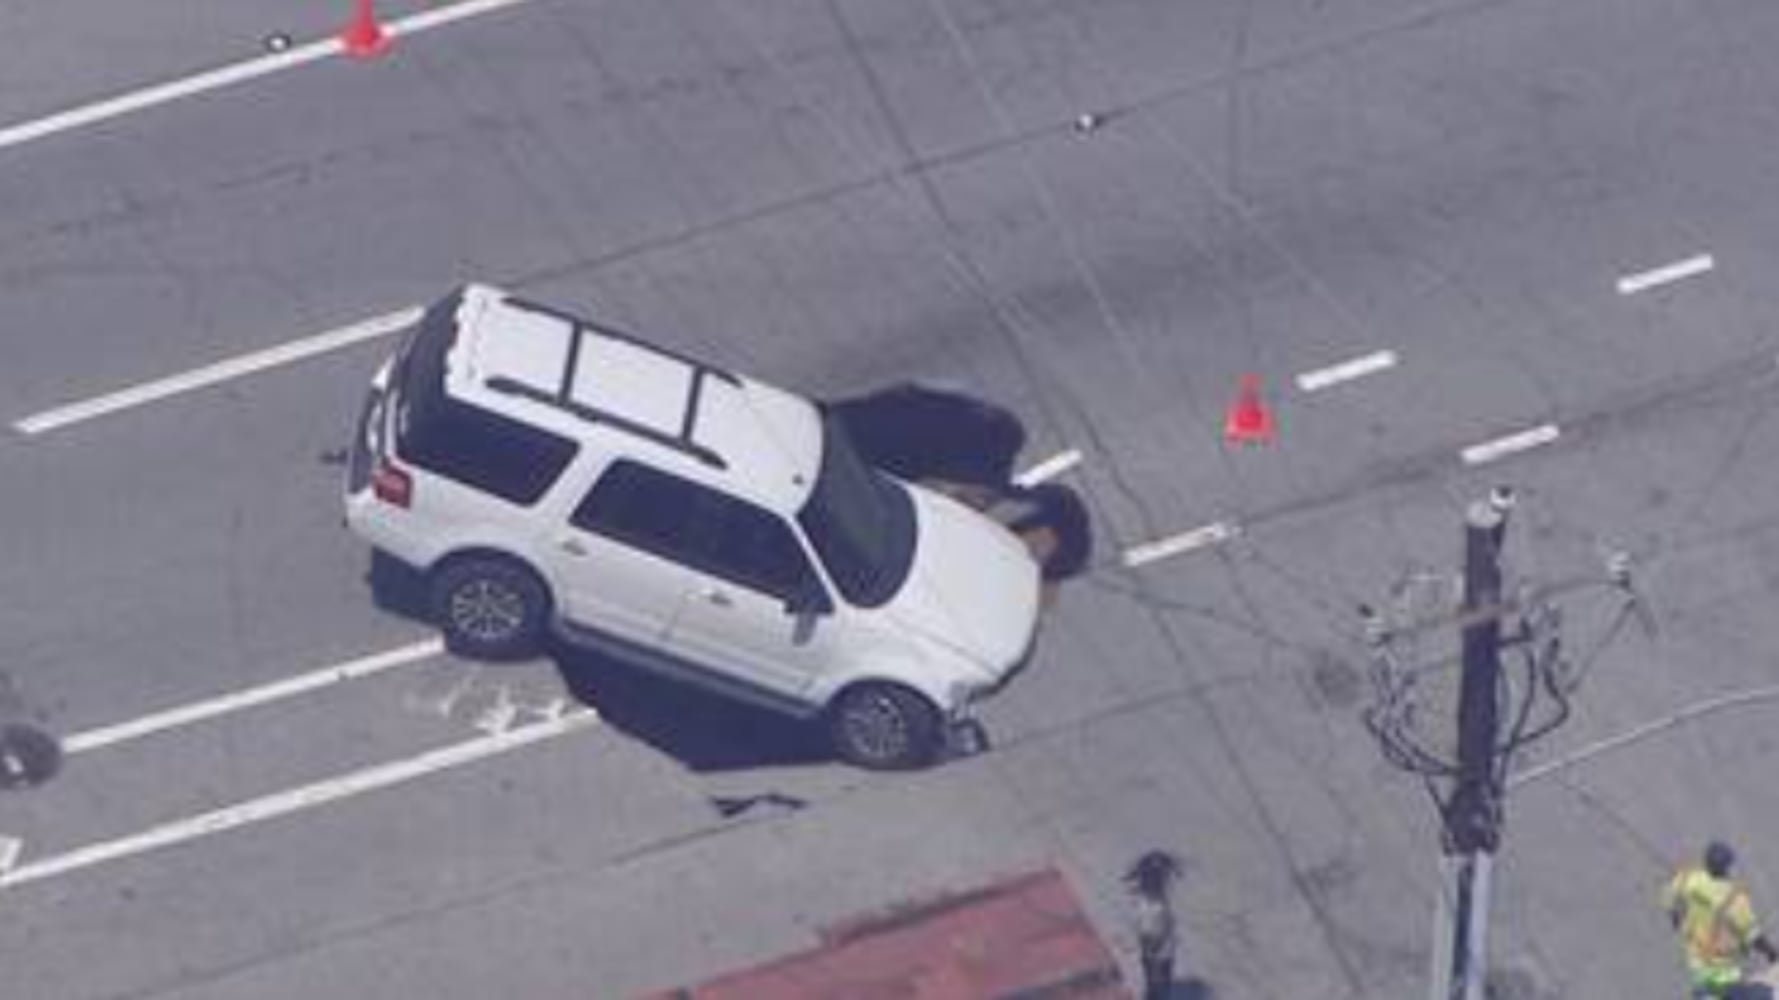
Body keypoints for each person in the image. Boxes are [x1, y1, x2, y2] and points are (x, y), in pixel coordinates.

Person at [1662, 841, 1779, 998]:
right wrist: (1771, 952)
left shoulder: (1688, 878)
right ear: (1727, 868)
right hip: (1723, 964)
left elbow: (1669, 896)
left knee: (1705, 980)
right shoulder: (1734, 899)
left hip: (1696, 952)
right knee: (1733, 991)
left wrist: (1675, 917)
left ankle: (1706, 993)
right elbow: (1753, 935)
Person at [1125, 850, 1182, 1000]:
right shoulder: (1147, 905)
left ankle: (1156, 990)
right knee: (1155, 980)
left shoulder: (1155, 904)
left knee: (1157, 980)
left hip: (1160, 947)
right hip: (1156, 949)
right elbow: (1147, 932)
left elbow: (1157, 929)